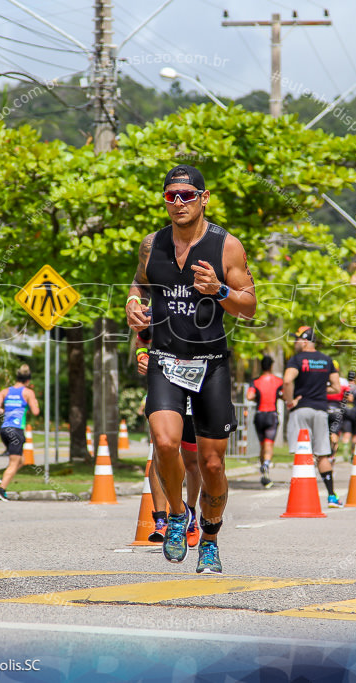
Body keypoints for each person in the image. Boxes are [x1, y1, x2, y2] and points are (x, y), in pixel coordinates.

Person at [126, 164, 256, 575]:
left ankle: (212, 538)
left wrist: (218, 290)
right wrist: (133, 307)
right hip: (166, 359)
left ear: (204, 198)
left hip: (210, 364)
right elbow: (139, 286)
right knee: (165, 443)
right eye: (171, 196)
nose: (178, 203)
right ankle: (179, 516)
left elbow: (249, 306)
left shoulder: (225, 247)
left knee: (213, 465)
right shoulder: (152, 245)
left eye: (187, 195)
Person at [136, 333, 201, 547]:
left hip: (193, 387)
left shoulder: (202, 306)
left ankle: (190, 515)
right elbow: (142, 339)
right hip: (163, 387)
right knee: (160, 451)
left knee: (192, 461)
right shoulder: (160, 306)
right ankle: (162, 519)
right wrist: (141, 357)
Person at [282, 326, 342, 507]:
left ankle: (302, 498)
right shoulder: (326, 360)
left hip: (301, 410)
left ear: (305, 340)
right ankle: (331, 496)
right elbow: (337, 388)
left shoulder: (297, 359)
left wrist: (290, 400)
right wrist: (319, 390)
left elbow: (287, 380)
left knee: (302, 453)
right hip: (320, 410)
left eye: (298, 339)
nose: (295, 342)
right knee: (323, 454)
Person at [0, 365, 40, 501]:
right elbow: (36, 412)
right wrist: (34, 403)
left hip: (5, 430)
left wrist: (2, 410)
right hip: (16, 430)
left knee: (21, 460)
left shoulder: (5, 391)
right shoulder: (28, 392)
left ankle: (2, 480)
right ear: (28, 380)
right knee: (14, 462)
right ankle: (1, 490)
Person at [247, 356, 282, 488]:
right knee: (269, 445)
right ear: (271, 366)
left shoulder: (255, 381)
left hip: (259, 415)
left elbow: (249, 396)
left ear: (261, 366)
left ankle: (264, 475)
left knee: (262, 445)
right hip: (272, 415)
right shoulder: (278, 381)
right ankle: (266, 464)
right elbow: (284, 395)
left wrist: (257, 398)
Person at [337, 370, 356, 462]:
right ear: (355, 378)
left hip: (345, 412)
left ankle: (345, 452)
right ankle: (352, 453)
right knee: (354, 435)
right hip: (355, 412)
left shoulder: (345, 387)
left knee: (346, 433)